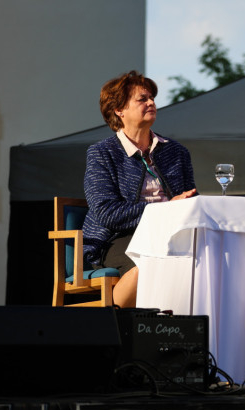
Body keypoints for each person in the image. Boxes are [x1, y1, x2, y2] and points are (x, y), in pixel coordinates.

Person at [83, 71, 197, 308]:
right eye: (142, 99)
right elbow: (107, 213)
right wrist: (164, 210)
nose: (151, 103)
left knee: (209, 259)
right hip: (118, 239)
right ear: (119, 110)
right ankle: (113, 321)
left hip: (173, 235)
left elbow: (190, 200)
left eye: (152, 98)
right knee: (153, 262)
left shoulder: (176, 152)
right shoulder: (102, 153)